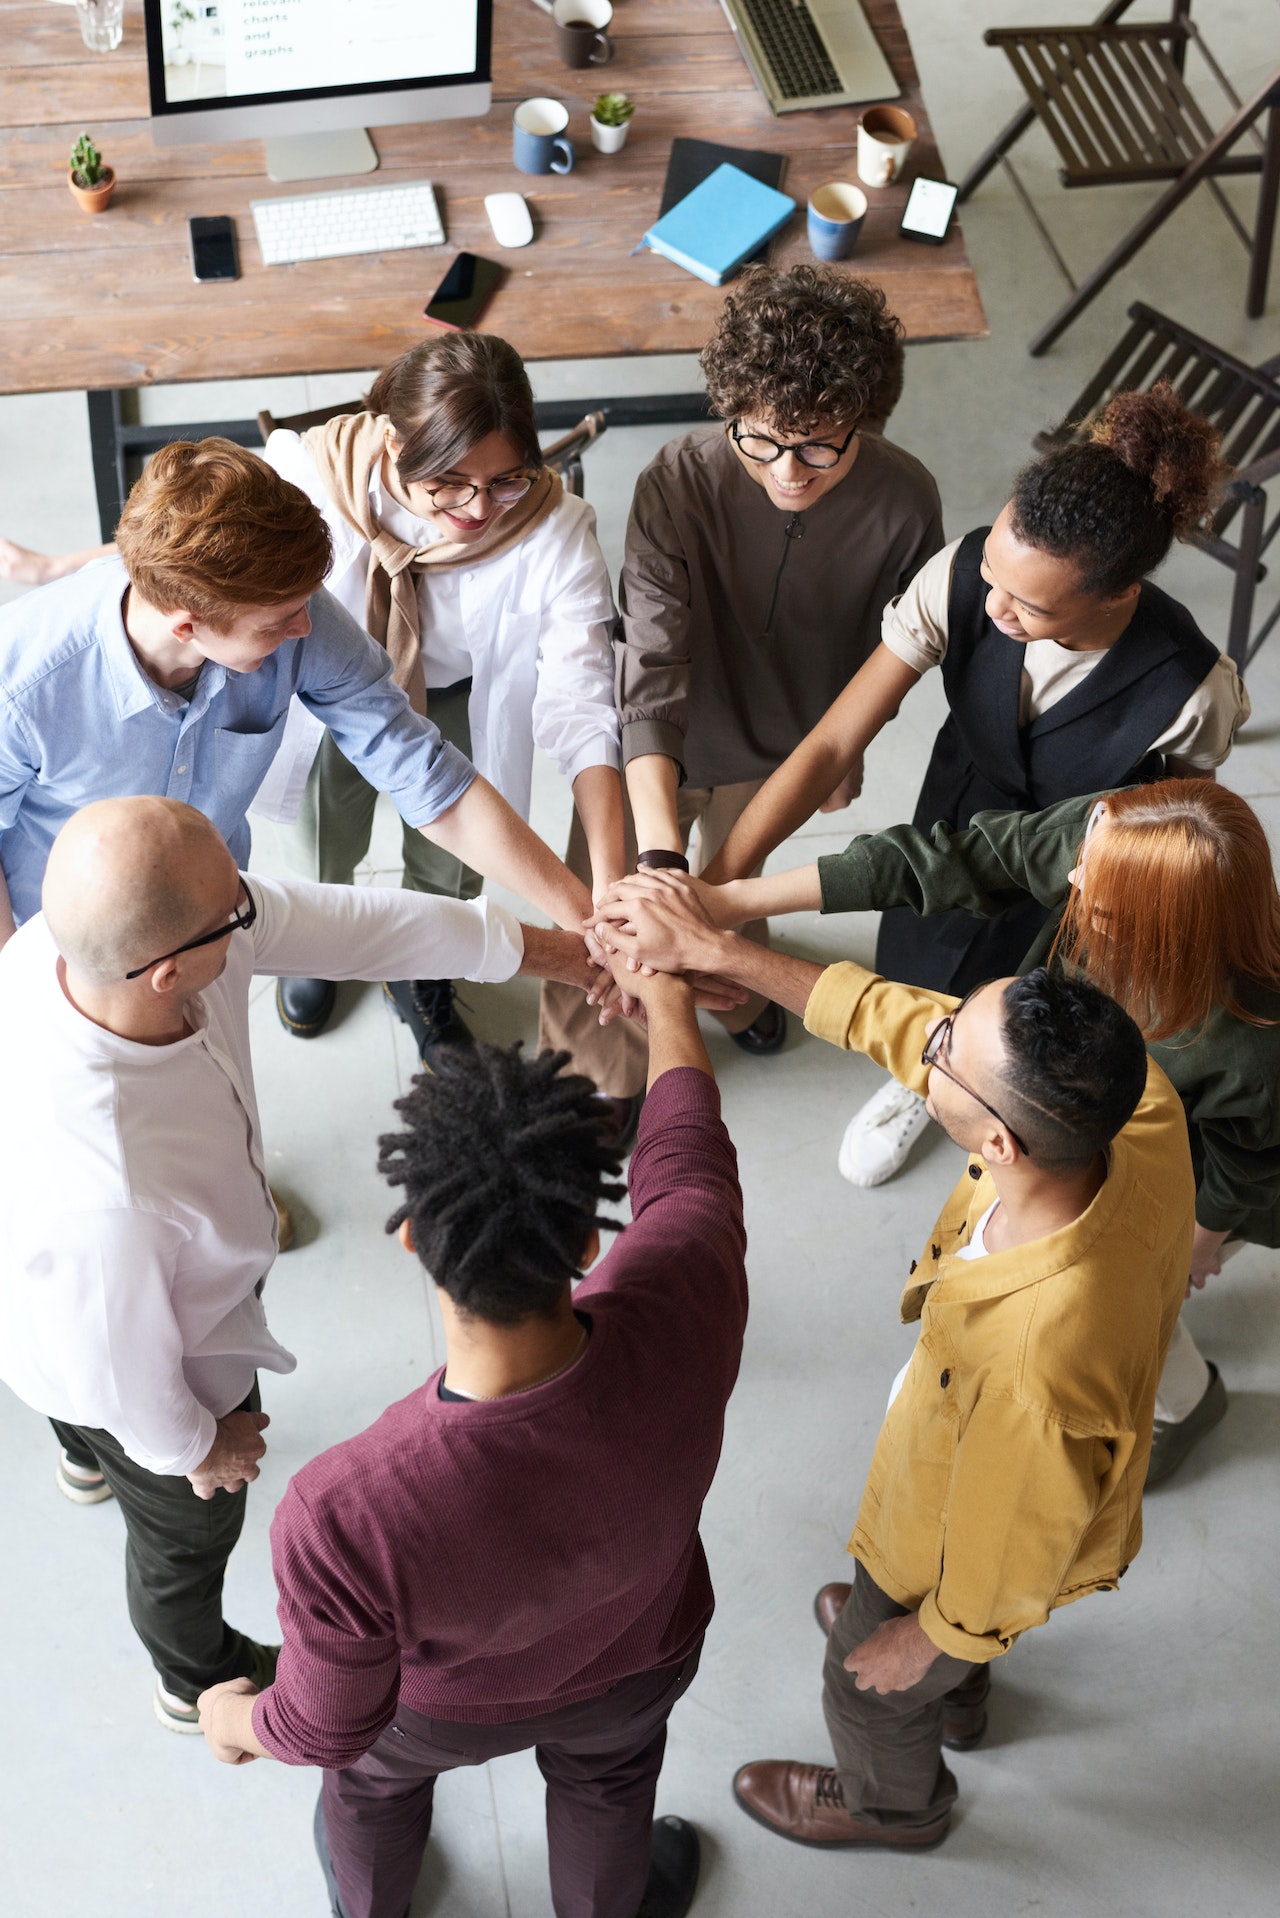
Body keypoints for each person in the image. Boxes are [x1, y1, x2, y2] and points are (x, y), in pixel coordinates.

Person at [586, 874, 1194, 1851]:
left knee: (861, 1679)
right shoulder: (1130, 1102)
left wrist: (930, 1634)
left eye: (947, 1050)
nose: (930, 1039)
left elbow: (1013, 1551)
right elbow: (905, 1023)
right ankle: (960, 1694)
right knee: (918, 1633)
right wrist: (724, 955)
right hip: (980, 1465)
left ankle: (895, 1802)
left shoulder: (1034, 1366)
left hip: (963, 1527)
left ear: (995, 1140)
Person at [0, 796, 597, 1733]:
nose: (254, 910)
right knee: (181, 1537)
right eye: (232, 913)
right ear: (164, 973)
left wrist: (567, 952)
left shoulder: (71, 945)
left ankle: (83, 1457)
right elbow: (112, 1368)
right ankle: (190, 1673)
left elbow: (355, 926)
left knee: (90, 1426)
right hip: (129, 1356)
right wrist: (200, 1446)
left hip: (79, 1296)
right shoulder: (111, 1193)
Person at [194, 956, 748, 1918]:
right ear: (587, 1243)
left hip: (435, 1718)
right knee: (609, 1787)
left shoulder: (344, 1508)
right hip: (640, 1654)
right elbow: (688, 1162)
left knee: (370, 1788)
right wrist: (667, 999)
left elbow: (330, 1724)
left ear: (412, 1237)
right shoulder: (688, 1288)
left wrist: (236, 1718)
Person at [700, 384, 1249, 1188]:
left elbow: (1174, 827)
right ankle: (919, 1075)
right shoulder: (960, 577)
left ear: (1118, 596)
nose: (993, 608)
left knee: (1023, 1010)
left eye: (1027, 604)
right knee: (921, 949)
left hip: (1072, 873)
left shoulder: (1194, 691)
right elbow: (829, 744)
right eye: (992, 571)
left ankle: (979, 1099)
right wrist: (718, 884)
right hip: (959, 804)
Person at [539, 262, 943, 1102]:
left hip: (785, 748)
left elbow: (885, 662)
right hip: (659, 750)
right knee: (609, 905)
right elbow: (649, 674)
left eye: (820, 444)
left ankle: (733, 996)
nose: (789, 470)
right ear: (730, 409)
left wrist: (839, 765)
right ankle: (599, 1074)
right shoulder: (676, 482)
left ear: (864, 418)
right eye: (759, 439)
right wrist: (657, 862)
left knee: (736, 897)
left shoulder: (907, 502)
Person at [0, 438, 594, 962]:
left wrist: (585, 919)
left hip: (215, 912)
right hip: (52, 938)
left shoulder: (286, 604)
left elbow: (424, 771)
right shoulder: (21, 683)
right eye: (281, 621)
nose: (306, 629)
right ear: (187, 626)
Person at [256, 333, 626, 1086]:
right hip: (330, 692)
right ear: (394, 444)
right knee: (323, 829)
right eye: (450, 484)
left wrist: (607, 898)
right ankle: (325, 943)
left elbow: (583, 709)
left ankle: (425, 967)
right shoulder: (309, 476)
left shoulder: (557, 532)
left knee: (456, 861)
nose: (479, 509)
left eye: (507, 481)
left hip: (456, 696)